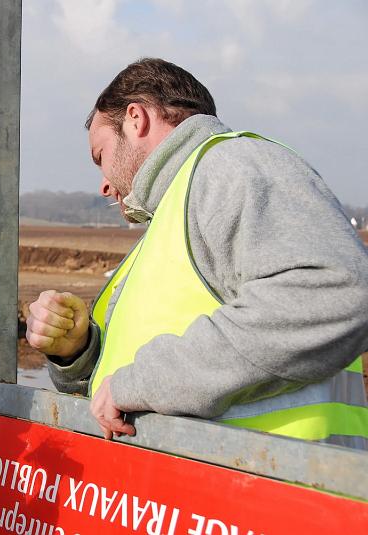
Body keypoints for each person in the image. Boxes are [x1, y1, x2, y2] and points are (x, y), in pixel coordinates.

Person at [26, 58, 368, 449]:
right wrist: (79, 352)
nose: (104, 185)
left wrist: (142, 383)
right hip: (215, 495)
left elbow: (335, 292)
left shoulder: (230, 167)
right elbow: (125, 380)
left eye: (100, 156)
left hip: (275, 491)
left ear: (136, 119)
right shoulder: (175, 214)